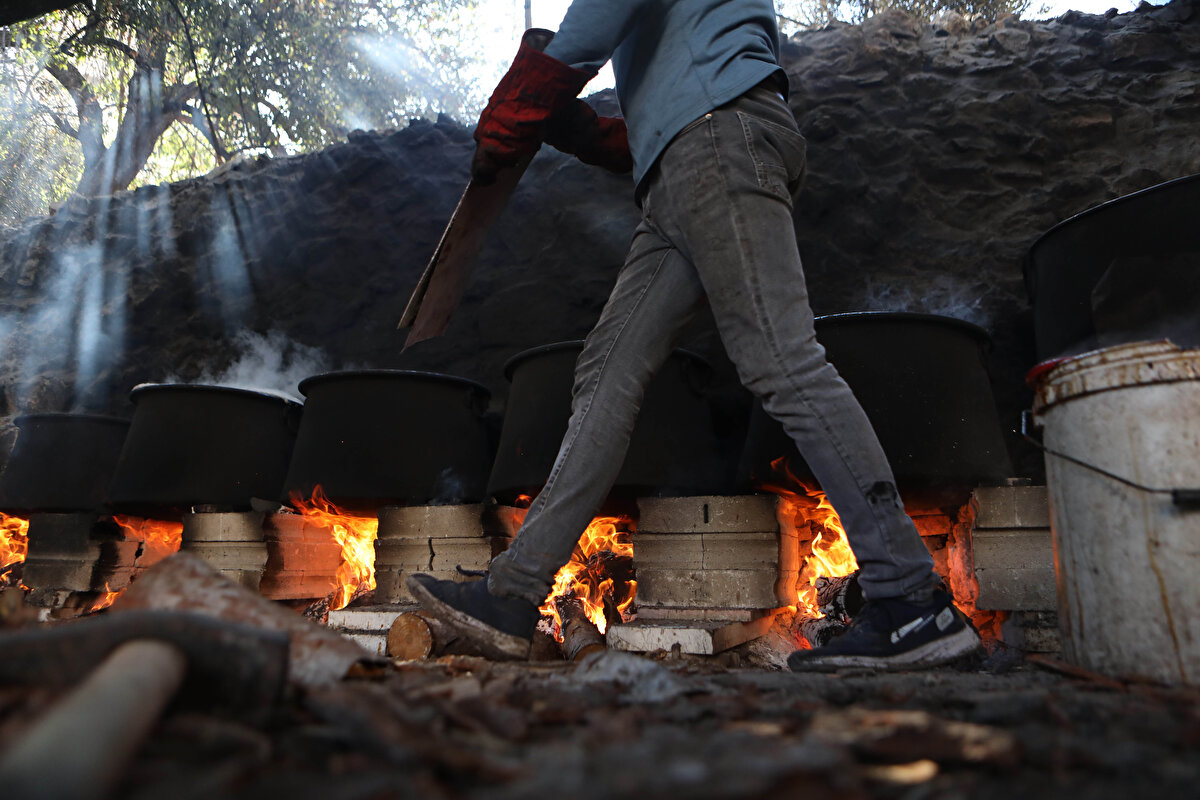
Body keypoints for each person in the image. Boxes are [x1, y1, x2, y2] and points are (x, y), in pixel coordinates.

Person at [408, 0, 982, 671]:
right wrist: (598, 131)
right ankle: (510, 595)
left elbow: (611, 25)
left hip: (716, 142)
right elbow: (678, 82)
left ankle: (912, 599)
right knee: (606, 372)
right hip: (683, 168)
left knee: (781, 359)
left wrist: (536, 86)